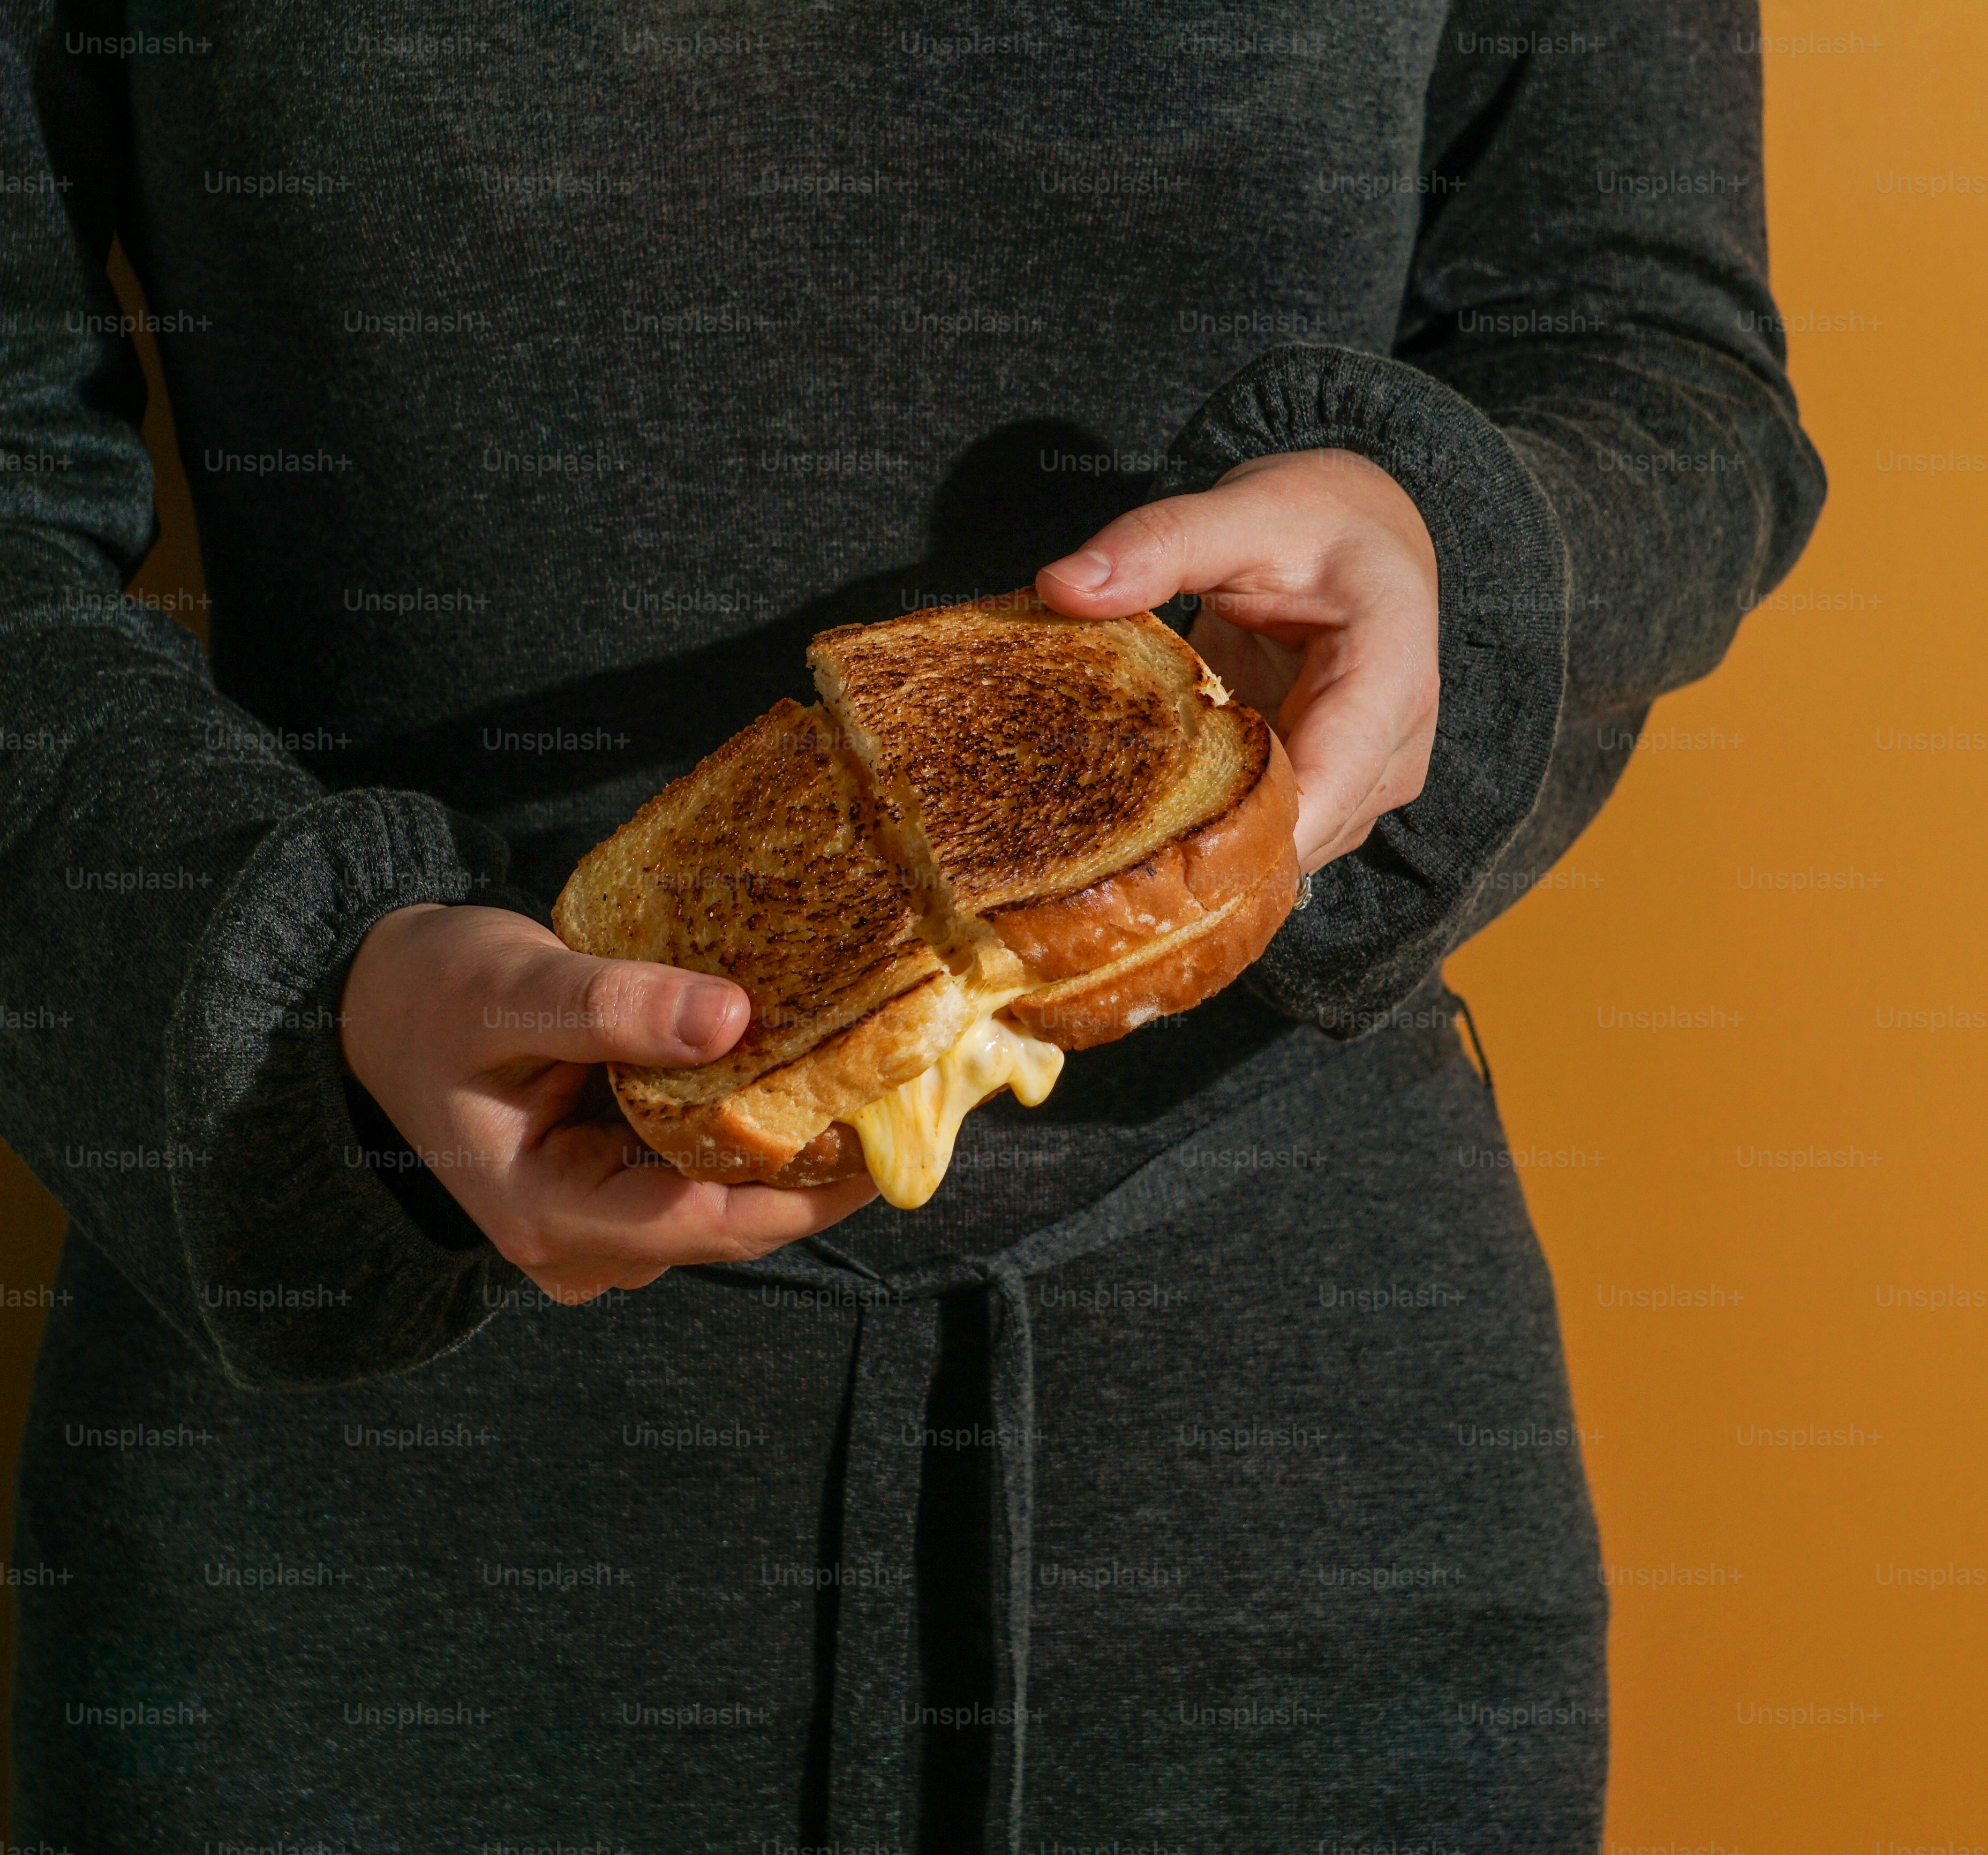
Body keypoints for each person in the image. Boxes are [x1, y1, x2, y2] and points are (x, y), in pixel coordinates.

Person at [1, 3, 1822, 1849]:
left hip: (1297, 1476)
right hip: (348, 1519)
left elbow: (1653, 362)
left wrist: (1443, 540)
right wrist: (308, 985)